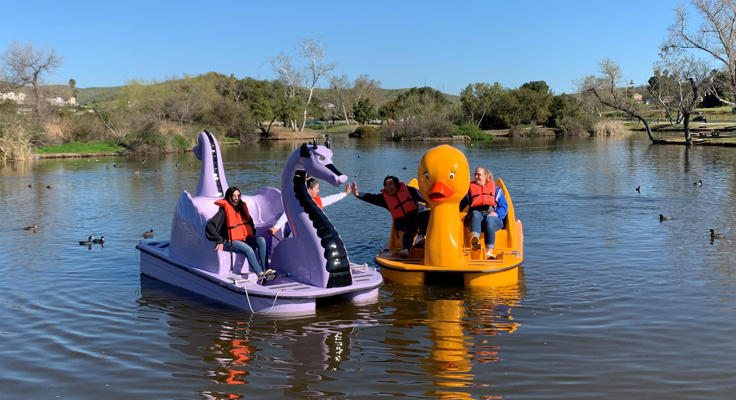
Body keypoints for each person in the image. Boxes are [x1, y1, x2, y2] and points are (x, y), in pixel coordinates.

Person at [352, 176, 428, 258]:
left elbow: (425, 198)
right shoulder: (384, 199)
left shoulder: (410, 190)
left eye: (391, 184)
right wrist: (357, 194)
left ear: (397, 185)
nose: (388, 187)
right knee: (410, 225)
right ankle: (405, 250)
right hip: (402, 221)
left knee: (428, 214)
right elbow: (371, 197)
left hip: (417, 215)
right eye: (386, 185)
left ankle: (420, 238)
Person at [205, 186, 272, 277]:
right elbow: (210, 226)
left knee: (261, 240)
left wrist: (252, 238)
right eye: (233, 196)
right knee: (248, 249)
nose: (236, 198)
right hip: (229, 241)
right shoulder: (224, 211)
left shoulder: (242, 209)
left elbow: (250, 224)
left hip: (244, 238)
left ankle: (267, 270)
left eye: (238, 195)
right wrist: (218, 240)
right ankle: (260, 274)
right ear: (229, 197)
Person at [267, 178, 351, 236]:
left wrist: (345, 193)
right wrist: (276, 227)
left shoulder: (316, 201)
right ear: (309, 189)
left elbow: (330, 199)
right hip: (298, 232)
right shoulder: (298, 203)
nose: (318, 191)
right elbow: (287, 214)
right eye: (317, 188)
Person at [460, 167, 508, 259]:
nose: (476, 177)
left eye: (479, 175)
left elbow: (504, 206)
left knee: (489, 220)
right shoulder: (470, 190)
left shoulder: (496, 190)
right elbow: (459, 206)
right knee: (474, 213)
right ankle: (475, 241)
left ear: (485, 176)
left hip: (492, 220)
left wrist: (496, 214)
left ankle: (489, 252)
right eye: (475, 175)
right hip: (476, 220)